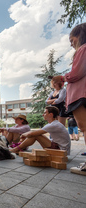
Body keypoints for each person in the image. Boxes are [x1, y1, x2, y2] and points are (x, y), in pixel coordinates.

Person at [57, 23, 86, 175]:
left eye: (71, 39)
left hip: (81, 95)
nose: (71, 43)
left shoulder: (83, 49)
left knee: (85, 127)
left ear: (80, 35)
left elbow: (76, 73)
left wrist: (63, 77)